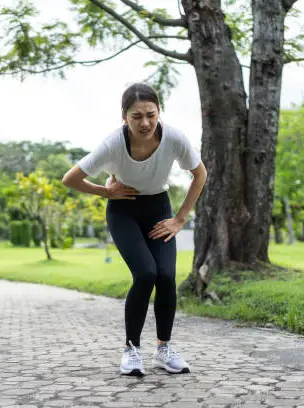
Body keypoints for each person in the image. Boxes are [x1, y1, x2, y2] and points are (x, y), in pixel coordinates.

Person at [61, 83, 207, 377]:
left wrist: (179, 219)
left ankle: (164, 349)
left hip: (159, 210)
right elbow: (70, 178)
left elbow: (200, 174)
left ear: (158, 112)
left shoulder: (174, 138)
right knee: (145, 274)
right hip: (124, 210)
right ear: (124, 117)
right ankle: (131, 350)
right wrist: (106, 192)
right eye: (136, 116)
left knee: (166, 276)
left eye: (151, 115)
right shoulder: (113, 143)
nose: (145, 123)